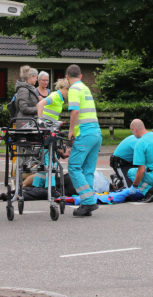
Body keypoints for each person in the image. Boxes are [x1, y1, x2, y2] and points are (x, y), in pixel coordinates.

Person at [65, 64, 102, 216]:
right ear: (80, 76)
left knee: (74, 166)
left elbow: (75, 111)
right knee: (88, 170)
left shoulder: (73, 89)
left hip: (85, 133)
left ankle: (88, 202)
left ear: (67, 78)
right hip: (96, 133)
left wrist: (71, 130)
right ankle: (87, 203)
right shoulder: (85, 88)